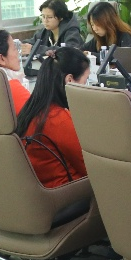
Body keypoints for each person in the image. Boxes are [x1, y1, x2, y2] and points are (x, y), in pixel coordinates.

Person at [14, 47, 89, 188]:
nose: (87, 87)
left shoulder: (32, 110)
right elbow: (89, 167)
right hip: (65, 192)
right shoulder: (59, 119)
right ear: (70, 80)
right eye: (85, 81)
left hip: (38, 190)